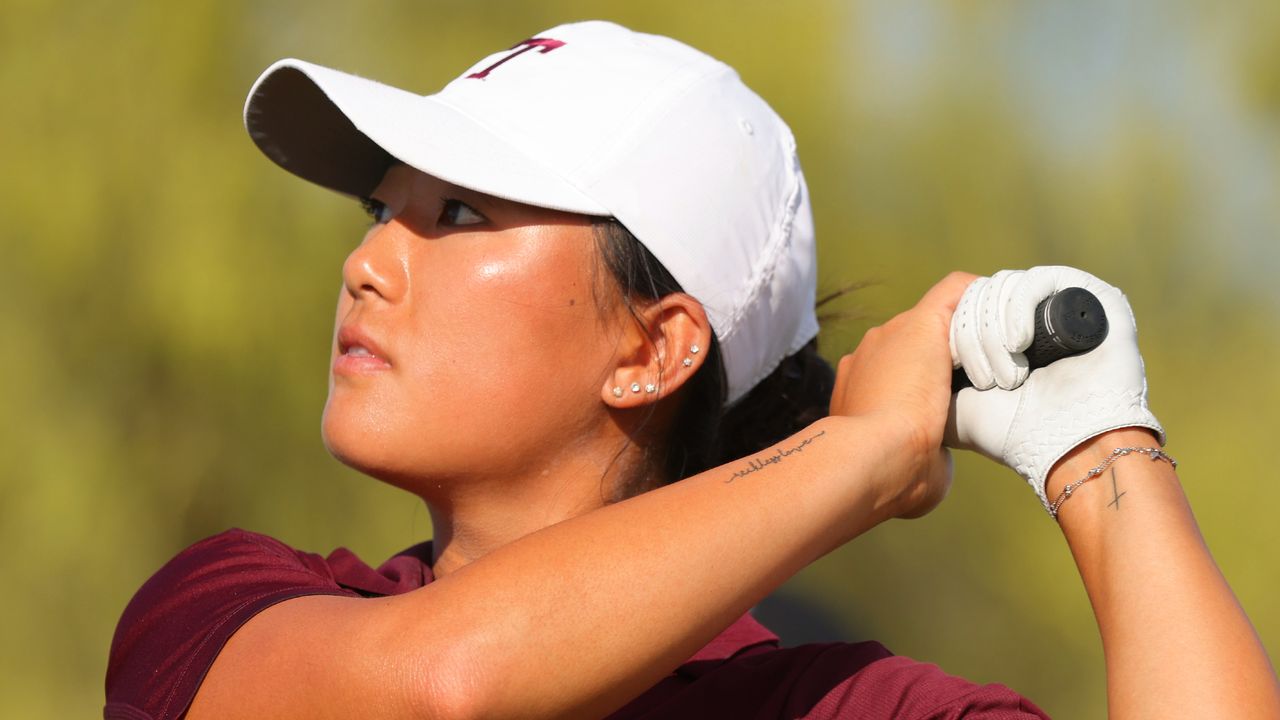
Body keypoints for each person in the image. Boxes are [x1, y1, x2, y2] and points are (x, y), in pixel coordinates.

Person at [104, 20, 1279, 720]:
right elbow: (444, 691)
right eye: (380, 209)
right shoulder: (232, 609)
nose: (366, 263)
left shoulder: (834, 707)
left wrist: (1102, 447)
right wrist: (860, 453)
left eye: (456, 212)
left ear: (654, 348)